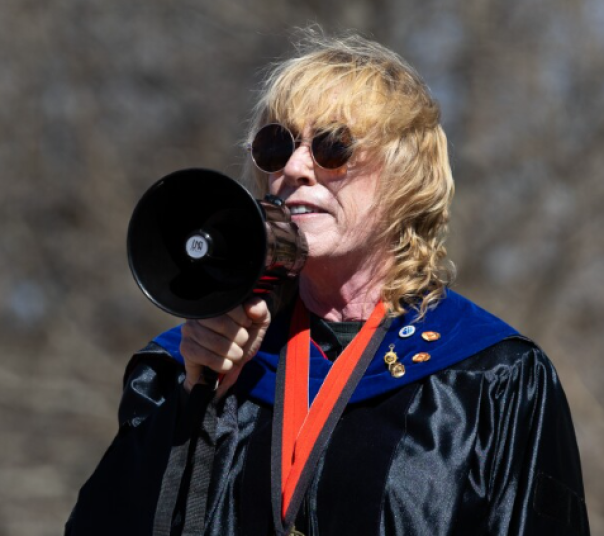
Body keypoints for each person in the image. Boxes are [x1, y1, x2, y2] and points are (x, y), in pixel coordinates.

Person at [66, 27, 590, 536]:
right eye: (276, 146)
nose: (295, 166)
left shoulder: (494, 379)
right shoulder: (194, 361)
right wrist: (193, 402)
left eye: (333, 146)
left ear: (405, 178)